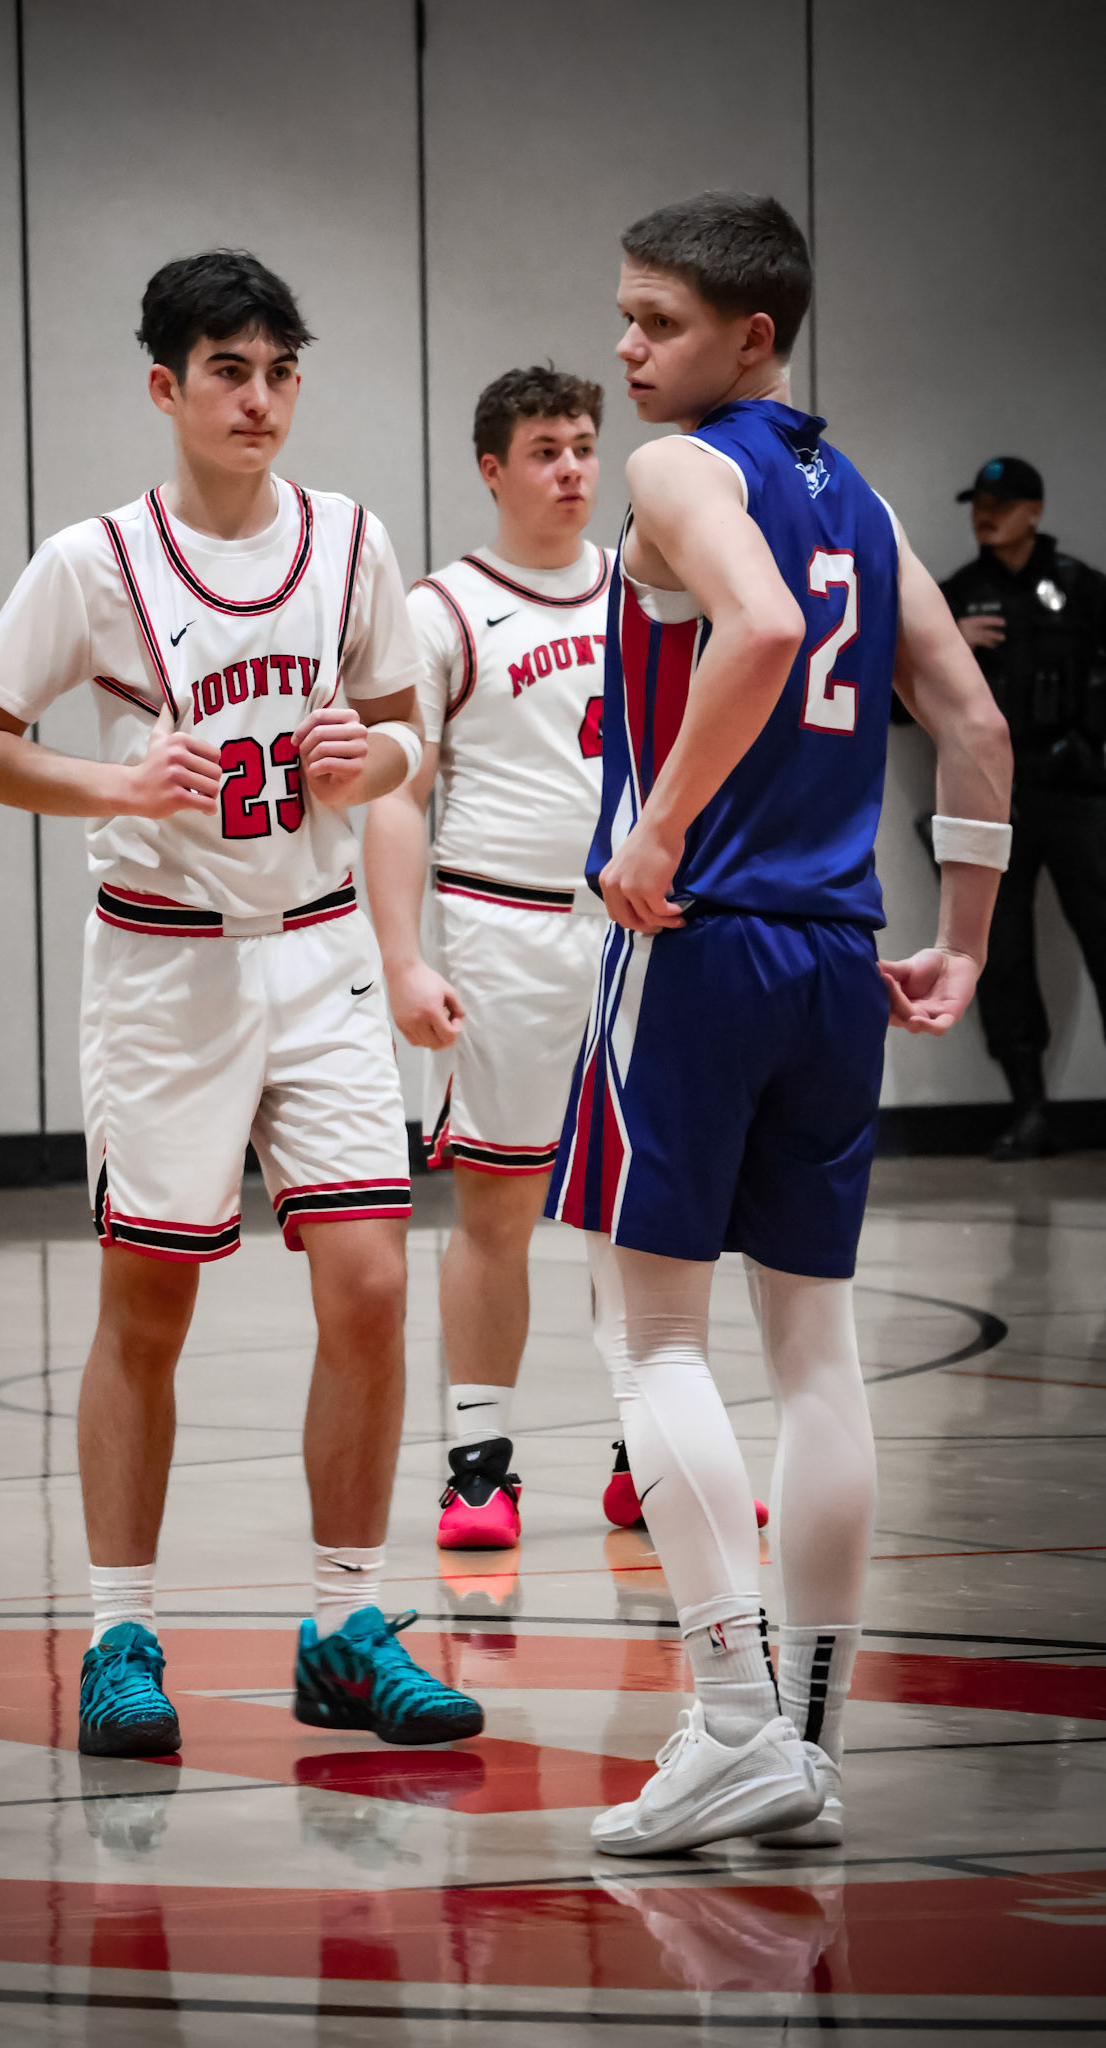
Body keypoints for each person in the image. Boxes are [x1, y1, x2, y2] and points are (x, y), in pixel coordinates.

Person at [0, 249, 482, 1759]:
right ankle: (120, 1633)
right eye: (228, 371)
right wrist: (115, 782)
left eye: (279, 371)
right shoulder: (93, 562)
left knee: (370, 1282)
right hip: (164, 965)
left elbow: (408, 736)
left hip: (319, 951)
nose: (259, 399)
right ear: (166, 387)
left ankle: (345, 1628)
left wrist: (375, 759)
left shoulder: (352, 538)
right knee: (150, 1302)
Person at [547, 192, 1012, 1854]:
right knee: (815, 1346)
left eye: (657, 321)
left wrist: (658, 830)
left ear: (750, 338)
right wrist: (962, 941)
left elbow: (754, 627)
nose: (625, 347)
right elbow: (972, 721)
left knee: (649, 1336)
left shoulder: (681, 470)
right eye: (623, 313)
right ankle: (805, 1746)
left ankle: (735, 1716)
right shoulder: (865, 498)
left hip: (697, 944)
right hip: (836, 958)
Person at [364, 365, 631, 1550]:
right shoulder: (443, 609)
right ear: (492, 468)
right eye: (544, 451)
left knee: (641, 1209)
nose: (571, 470)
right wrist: (403, 957)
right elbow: (398, 797)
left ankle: (649, 1456)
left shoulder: (649, 592)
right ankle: (480, 1467)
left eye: (583, 447)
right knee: (501, 1207)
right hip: (501, 930)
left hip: (635, 927)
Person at [941, 457, 1106, 1159]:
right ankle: (1028, 1111)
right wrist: (952, 642)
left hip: (1074, 793)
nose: (985, 514)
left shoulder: (1082, 588)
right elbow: (896, 705)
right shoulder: (956, 595)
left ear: (1033, 511)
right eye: (978, 502)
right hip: (992, 799)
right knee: (999, 953)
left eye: (1001, 504)